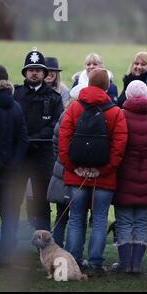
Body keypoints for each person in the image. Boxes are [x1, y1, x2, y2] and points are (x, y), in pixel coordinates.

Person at [59, 68, 128, 276]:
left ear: (87, 83)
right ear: (107, 86)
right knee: (99, 219)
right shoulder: (115, 112)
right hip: (104, 179)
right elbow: (119, 146)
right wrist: (105, 170)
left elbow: (63, 142)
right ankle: (96, 263)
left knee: (76, 218)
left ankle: (74, 262)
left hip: (75, 176)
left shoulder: (73, 108)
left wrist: (74, 168)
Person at [112, 80, 147, 273]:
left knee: (124, 220)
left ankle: (125, 263)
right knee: (142, 221)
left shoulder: (120, 115)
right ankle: (136, 264)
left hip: (124, 174)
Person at [13, 49, 64, 231]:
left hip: (42, 157)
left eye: (38, 69)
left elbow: (56, 124)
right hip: (20, 157)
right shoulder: (16, 95)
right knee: (14, 200)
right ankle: (11, 243)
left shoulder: (54, 98)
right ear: (25, 72)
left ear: (44, 73)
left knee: (42, 202)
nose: (34, 72)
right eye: (30, 69)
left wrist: (35, 138)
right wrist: (23, 139)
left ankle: (43, 244)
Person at [46, 84, 87, 248]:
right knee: (78, 216)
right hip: (71, 173)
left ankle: (55, 249)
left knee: (61, 216)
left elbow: (56, 144)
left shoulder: (65, 114)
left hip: (61, 170)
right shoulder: (83, 116)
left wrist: (61, 160)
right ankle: (74, 250)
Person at [0, 64, 29, 265]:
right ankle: (6, 257)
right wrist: (13, 164)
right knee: (9, 216)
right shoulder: (17, 106)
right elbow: (23, 139)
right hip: (10, 173)